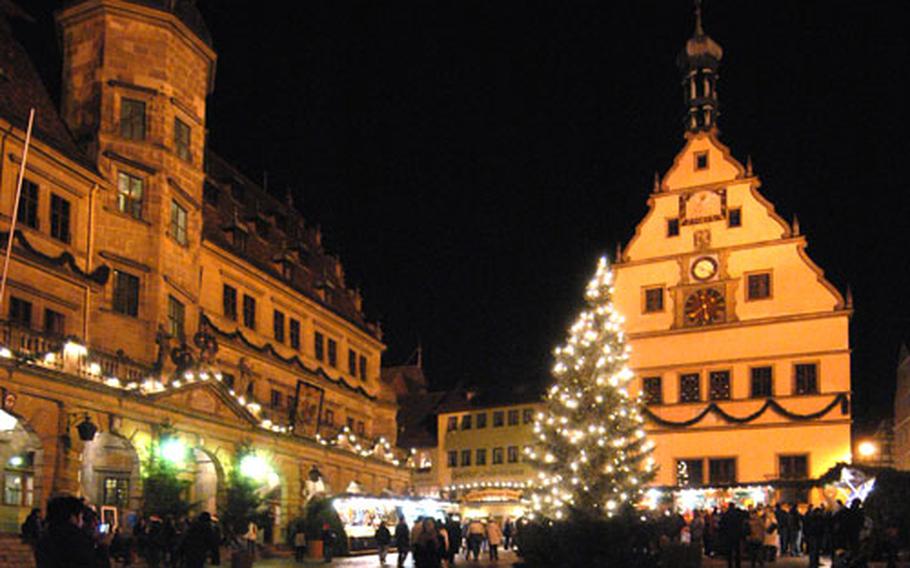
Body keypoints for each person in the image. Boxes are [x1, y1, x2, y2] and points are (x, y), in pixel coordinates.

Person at [35, 496, 96, 568]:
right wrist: (103, 547)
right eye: (81, 516)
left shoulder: (44, 540)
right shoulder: (79, 540)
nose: (82, 521)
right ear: (72, 517)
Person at [719, 502, 745, 568]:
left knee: (729, 551)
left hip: (728, 535)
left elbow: (722, 525)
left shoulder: (726, 515)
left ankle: (730, 564)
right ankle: (738, 565)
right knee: (737, 551)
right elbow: (741, 524)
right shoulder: (738, 514)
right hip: (737, 535)